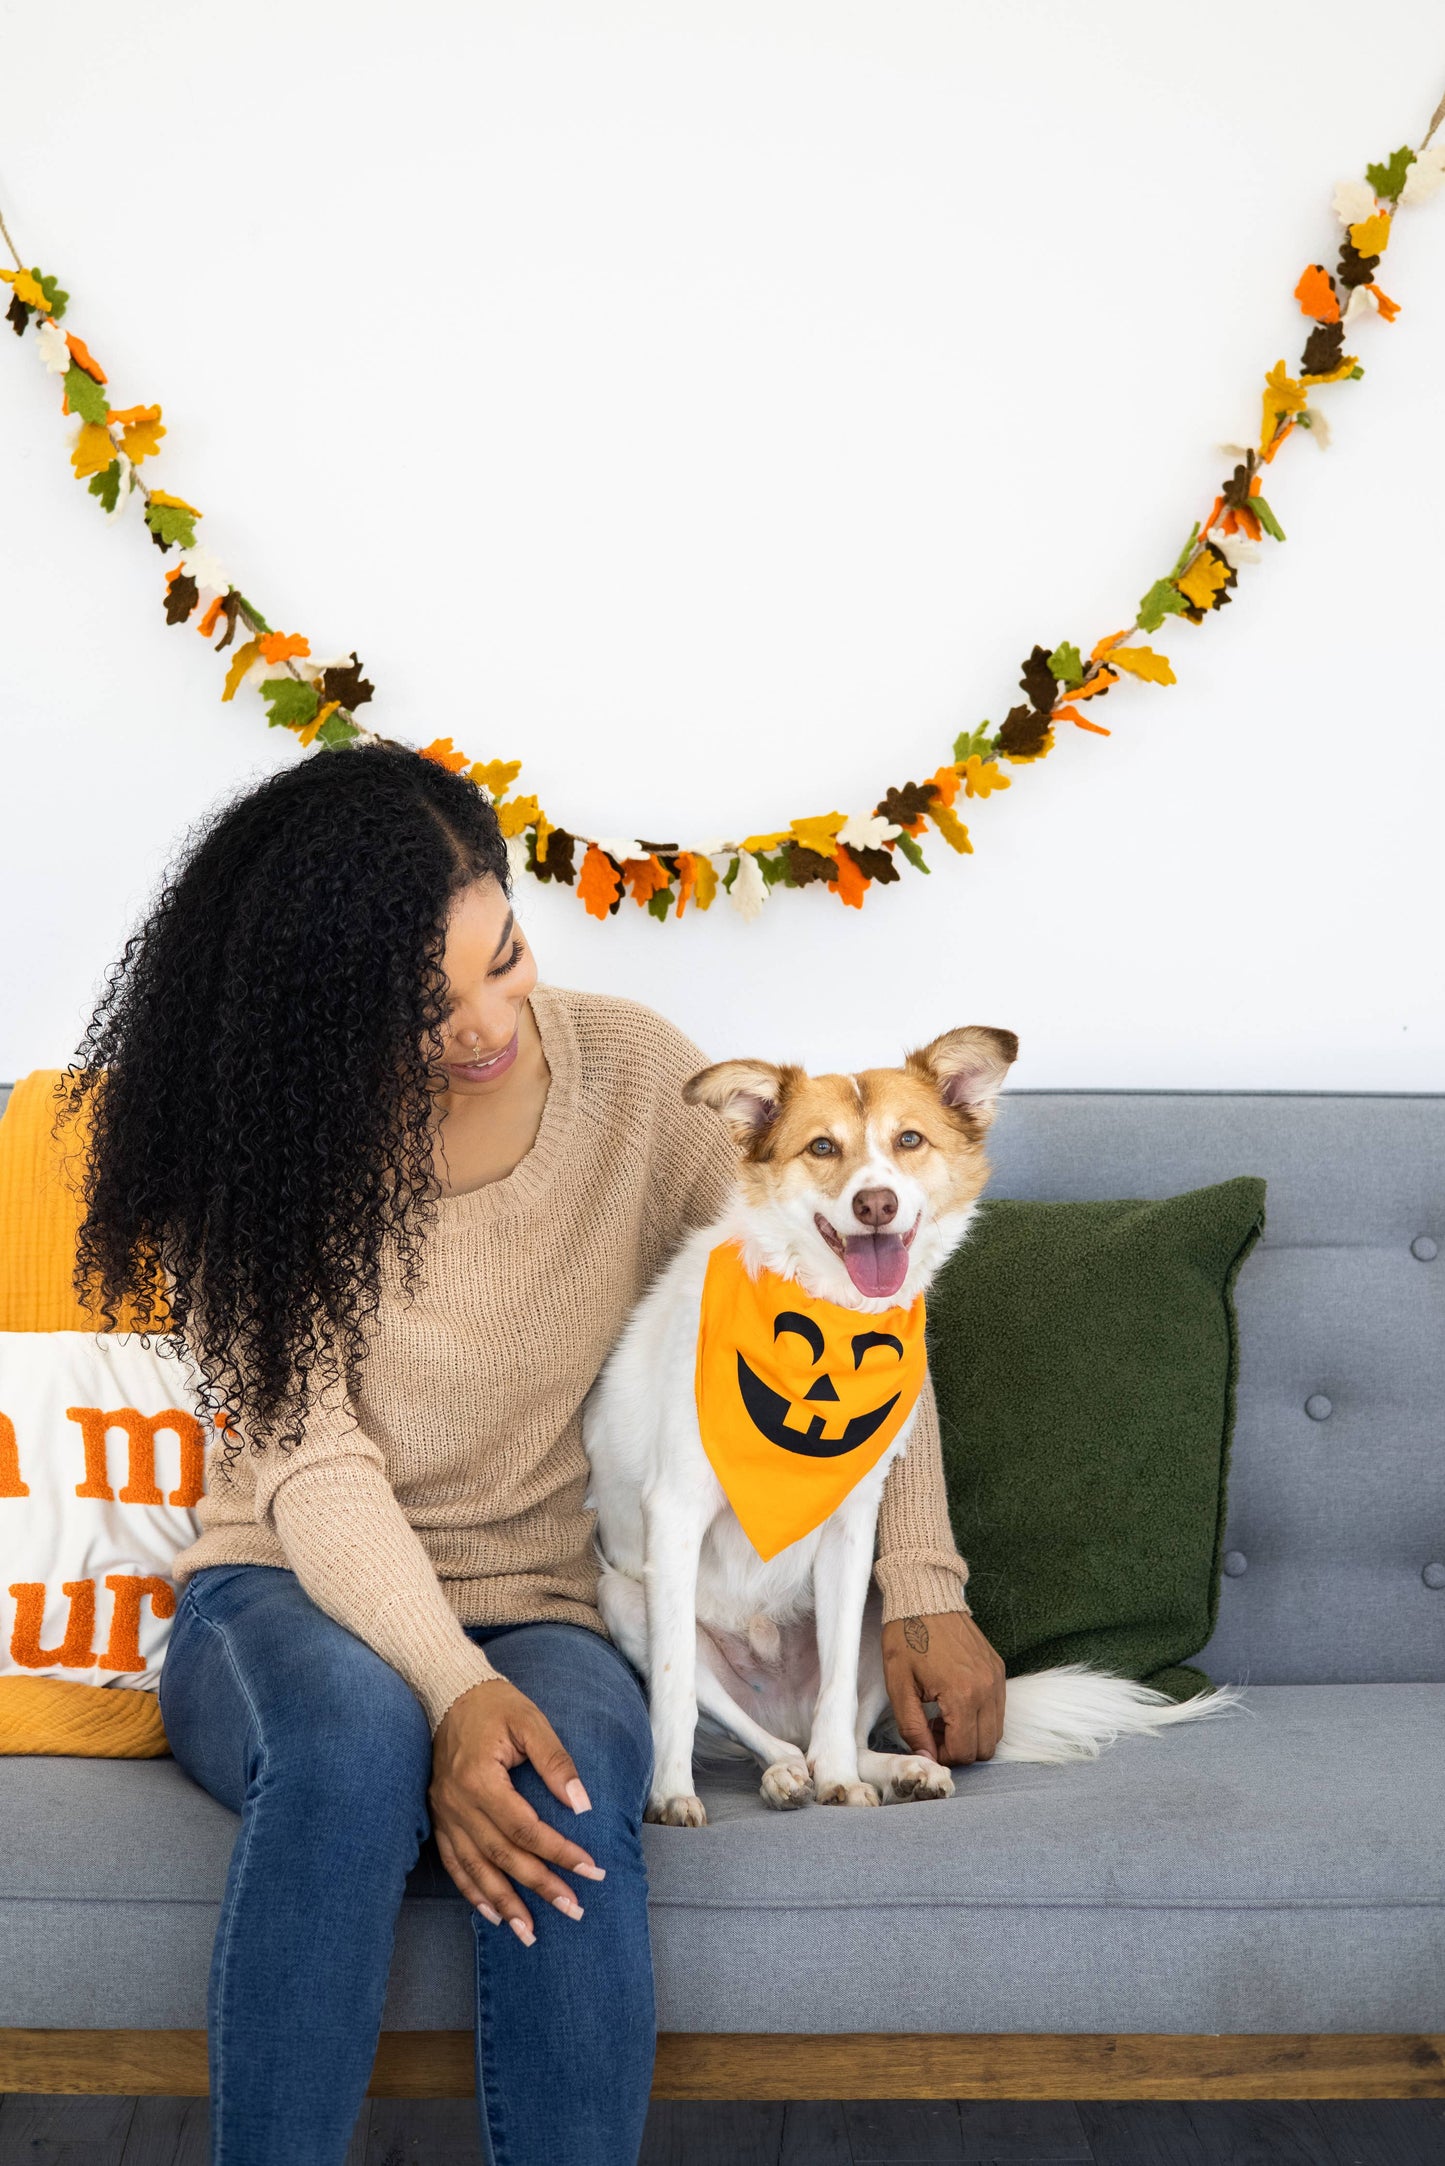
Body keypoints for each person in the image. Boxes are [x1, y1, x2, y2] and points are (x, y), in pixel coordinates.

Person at [64, 739, 1005, 2166]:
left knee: (573, 1785)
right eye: (421, 1005)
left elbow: (850, 1299)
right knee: (345, 1745)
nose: (487, 1020)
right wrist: (452, 1690)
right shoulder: (258, 1150)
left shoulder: (632, 1076)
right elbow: (312, 1469)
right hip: (287, 1587)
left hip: (550, 1594)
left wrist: (920, 1583)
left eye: (502, 955)